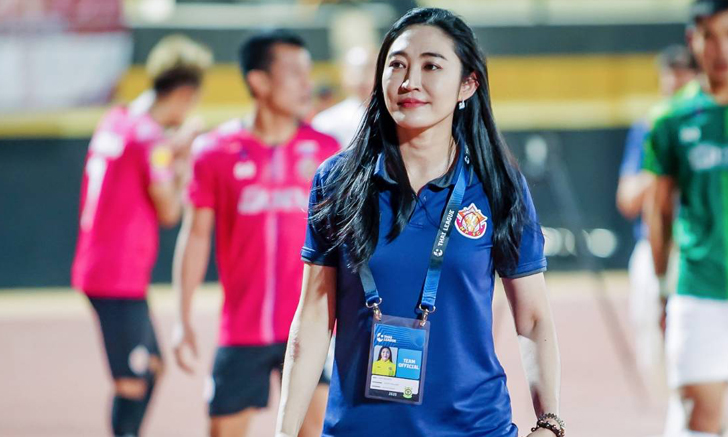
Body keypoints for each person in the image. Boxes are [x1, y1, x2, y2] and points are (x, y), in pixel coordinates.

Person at [276, 8, 562, 437]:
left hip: (474, 428)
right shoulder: (337, 181)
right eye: (397, 65)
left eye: (431, 66)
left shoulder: (497, 184)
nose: (410, 81)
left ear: (468, 84)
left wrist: (550, 422)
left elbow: (534, 318)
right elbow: (314, 316)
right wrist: (284, 431)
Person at [172, 30, 339, 437]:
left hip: (310, 328)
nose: (307, 83)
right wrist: (182, 317)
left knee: (317, 430)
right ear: (259, 81)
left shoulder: (327, 150)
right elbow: (196, 237)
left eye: (308, 72)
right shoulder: (215, 151)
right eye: (294, 73)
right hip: (241, 331)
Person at [71, 34, 212, 437]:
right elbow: (169, 212)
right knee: (132, 382)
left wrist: (172, 148)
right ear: (184, 93)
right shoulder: (151, 140)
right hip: (117, 277)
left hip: (103, 268)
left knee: (152, 366)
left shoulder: (116, 120)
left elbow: (143, 155)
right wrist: (183, 162)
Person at [644, 1, 728, 436]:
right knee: (700, 419)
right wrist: (661, 287)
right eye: (709, 36)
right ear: (693, 40)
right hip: (700, 290)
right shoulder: (671, 118)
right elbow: (659, 209)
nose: (721, 49)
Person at [616, 45, 698, 387]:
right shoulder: (650, 129)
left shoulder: (712, 125)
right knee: (654, 349)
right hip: (652, 246)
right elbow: (627, 200)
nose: (674, 82)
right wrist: (661, 168)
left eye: (682, 74)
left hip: (699, 249)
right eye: (669, 75)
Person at [312, 45, 376, 148]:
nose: (362, 77)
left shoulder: (395, 117)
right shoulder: (326, 122)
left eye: (369, 69)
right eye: (354, 71)